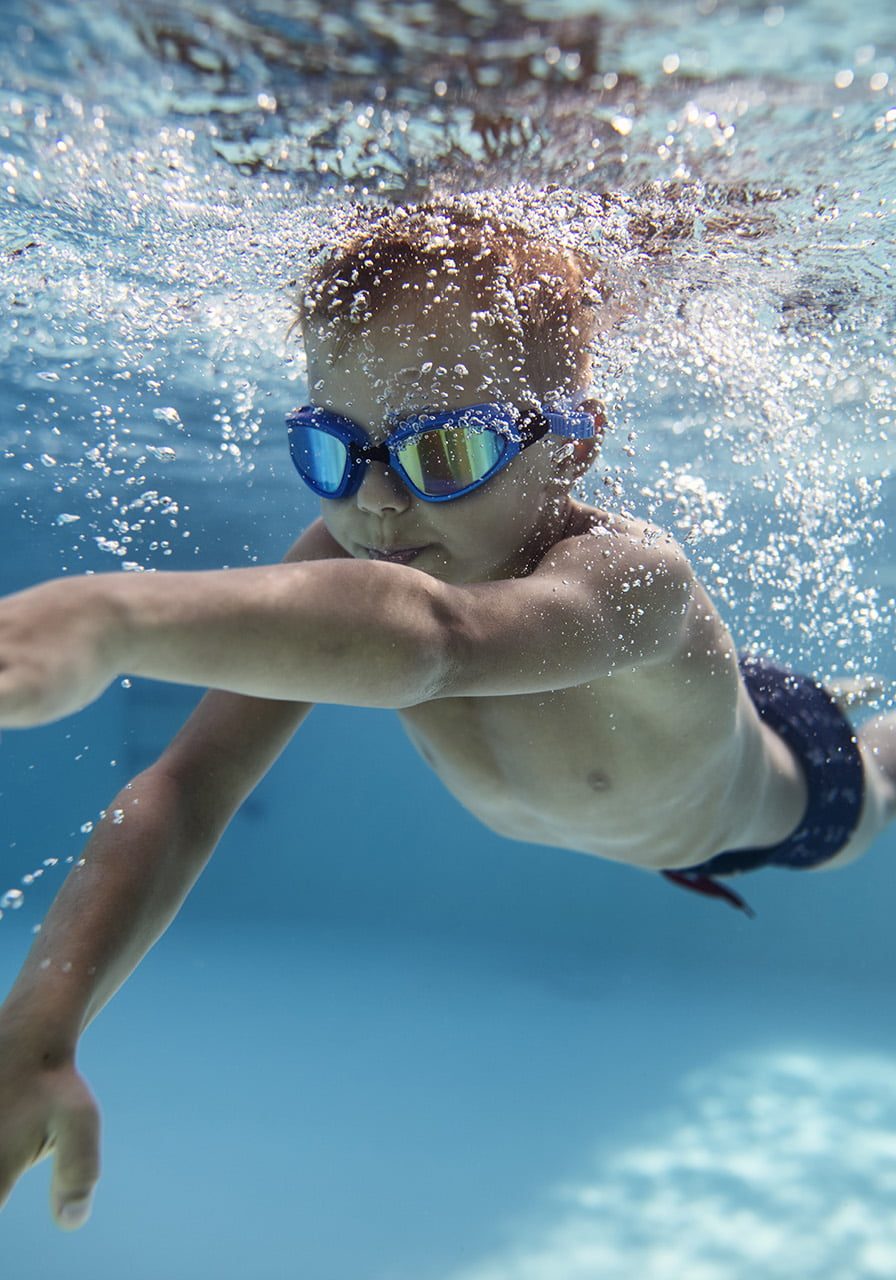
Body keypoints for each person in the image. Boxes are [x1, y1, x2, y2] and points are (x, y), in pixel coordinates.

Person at [0, 201, 893, 1231]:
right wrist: (43, 1019)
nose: (377, 501)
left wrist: (109, 617)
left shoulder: (632, 580)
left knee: (875, 785)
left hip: (784, 794)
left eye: (444, 450)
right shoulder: (357, 552)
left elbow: (441, 642)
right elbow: (185, 783)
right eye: (338, 451)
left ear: (571, 444)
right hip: (664, 739)